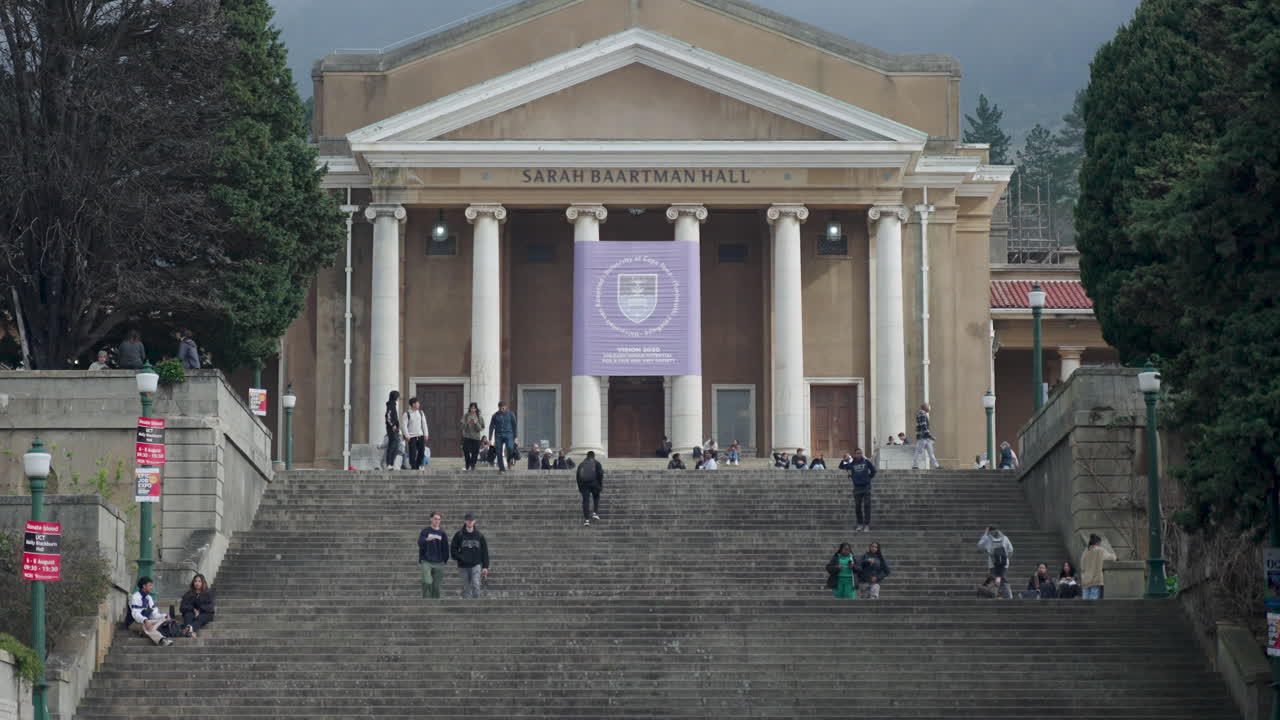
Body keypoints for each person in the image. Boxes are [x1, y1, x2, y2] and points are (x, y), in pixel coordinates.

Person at [450, 513, 489, 598]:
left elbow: (485, 552)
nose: (470, 522)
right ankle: (468, 606)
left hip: (476, 564)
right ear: (465, 521)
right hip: (463, 566)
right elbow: (453, 549)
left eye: (472, 520)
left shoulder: (479, 535)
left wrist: (485, 566)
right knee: (466, 588)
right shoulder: (459, 535)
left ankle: (476, 604)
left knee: (476, 584)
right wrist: (460, 557)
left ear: (474, 521)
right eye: (468, 520)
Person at [128, 576, 173, 646]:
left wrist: (165, 616)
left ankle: (145, 633)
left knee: (164, 620)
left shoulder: (149, 598)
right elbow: (135, 614)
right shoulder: (135, 597)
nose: (151, 587)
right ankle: (162, 640)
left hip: (147, 621)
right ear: (144, 586)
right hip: (133, 622)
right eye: (150, 585)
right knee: (145, 626)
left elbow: (154, 614)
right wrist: (145, 620)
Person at [417, 511, 450, 599]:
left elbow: (446, 548)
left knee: (436, 586)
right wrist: (426, 539)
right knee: (427, 581)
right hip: (426, 561)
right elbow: (419, 542)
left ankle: (435, 605)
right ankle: (426, 601)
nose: (437, 521)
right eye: (435, 519)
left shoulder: (442, 533)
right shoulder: (425, 531)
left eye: (439, 519)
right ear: (431, 519)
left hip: (439, 562)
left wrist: (444, 560)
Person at [846, 448, 876, 532]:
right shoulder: (852, 464)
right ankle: (860, 523)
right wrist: (846, 460)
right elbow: (844, 467)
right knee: (858, 507)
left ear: (862, 454)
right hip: (857, 488)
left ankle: (867, 524)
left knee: (867, 506)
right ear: (854, 454)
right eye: (857, 453)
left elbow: (873, 471)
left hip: (866, 487)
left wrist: (868, 478)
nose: (858, 455)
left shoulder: (866, 462)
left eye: (860, 453)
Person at [1080, 533, 1117, 600]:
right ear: (1098, 542)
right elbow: (1112, 557)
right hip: (1095, 578)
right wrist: (1114, 555)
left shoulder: (1085, 551)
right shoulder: (1100, 550)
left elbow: (1082, 565)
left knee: (1085, 600)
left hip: (1085, 578)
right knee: (1093, 599)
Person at [576, 450, 604, 526]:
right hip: (594, 484)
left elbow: (578, 476)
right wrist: (600, 485)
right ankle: (595, 512)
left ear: (587, 456)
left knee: (586, 501)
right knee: (596, 497)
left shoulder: (581, 464)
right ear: (594, 456)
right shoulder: (597, 463)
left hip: (584, 485)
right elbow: (600, 474)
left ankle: (586, 520)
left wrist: (580, 487)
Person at [488, 400, 517, 473]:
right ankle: (502, 468)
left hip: (509, 435)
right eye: (500, 408)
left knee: (510, 448)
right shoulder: (495, 415)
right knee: (498, 451)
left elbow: (514, 426)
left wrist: (515, 437)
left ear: (506, 407)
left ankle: (509, 460)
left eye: (503, 408)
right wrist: (490, 438)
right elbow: (491, 427)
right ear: (498, 408)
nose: (502, 409)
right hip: (498, 435)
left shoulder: (511, 414)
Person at [402, 397, 429, 470]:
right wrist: (407, 435)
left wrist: (426, 434)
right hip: (411, 437)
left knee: (421, 452)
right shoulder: (407, 414)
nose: (419, 404)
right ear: (413, 404)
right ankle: (413, 466)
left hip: (420, 436)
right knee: (412, 453)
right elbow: (404, 426)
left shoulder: (421, 413)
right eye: (417, 403)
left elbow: (424, 424)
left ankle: (418, 465)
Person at [912, 403, 940, 470]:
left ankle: (936, 465)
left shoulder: (922, 414)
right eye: (928, 406)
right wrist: (930, 436)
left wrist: (929, 436)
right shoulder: (922, 414)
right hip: (923, 437)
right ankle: (915, 465)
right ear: (925, 407)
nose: (929, 408)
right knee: (919, 452)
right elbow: (924, 426)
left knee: (931, 452)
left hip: (925, 437)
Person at [460, 403, 485, 471]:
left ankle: (472, 465)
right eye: (471, 408)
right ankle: (467, 465)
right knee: (466, 451)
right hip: (467, 436)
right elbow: (461, 427)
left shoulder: (479, 417)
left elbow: (481, 428)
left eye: (474, 408)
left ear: (476, 409)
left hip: (476, 437)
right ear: (469, 408)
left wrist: (476, 423)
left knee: (475, 452)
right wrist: (466, 423)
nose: (472, 409)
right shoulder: (466, 416)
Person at [383, 391, 401, 470]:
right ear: (395, 396)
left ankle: (391, 464)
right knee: (392, 446)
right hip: (392, 429)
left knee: (396, 446)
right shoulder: (391, 404)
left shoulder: (393, 404)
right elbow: (388, 415)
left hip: (395, 429)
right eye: (398, 396)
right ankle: (388, 464)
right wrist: (392, 425)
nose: (398, 398)